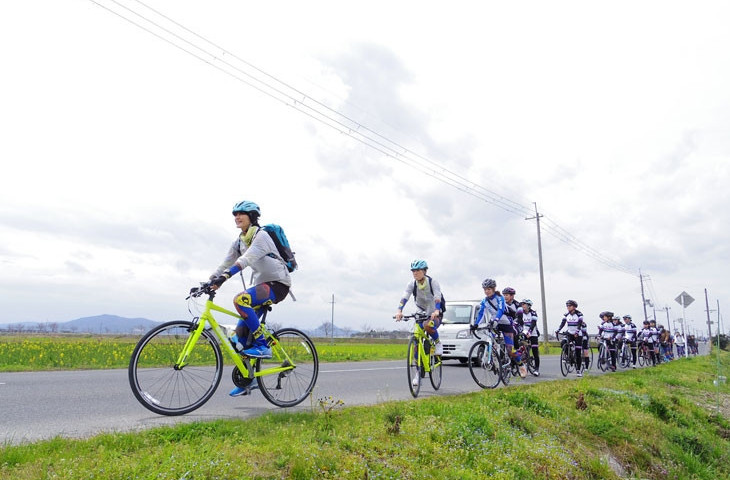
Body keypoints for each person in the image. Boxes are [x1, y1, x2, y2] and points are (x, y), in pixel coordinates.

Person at [208, 200, 292, 396]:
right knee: (238, 339)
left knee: (240, 300)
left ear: (252, 217)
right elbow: (226, 262)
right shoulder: (239, 241)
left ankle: (263, 346)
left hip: (278, 285)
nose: (237, 217)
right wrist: (210, 280)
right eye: (235, 214)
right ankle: (249, 381)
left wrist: (225, 278)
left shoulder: (261, 236)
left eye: (241, 214)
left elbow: (246, 260)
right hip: (262, 286)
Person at [395, 259, 444, 369]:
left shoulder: (432, 282)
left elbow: (437, 297)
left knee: (428, 325)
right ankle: (417, 372)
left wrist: (436, 310)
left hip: (435, 313)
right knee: (416, 340)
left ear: (425, 271)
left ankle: (437, 343)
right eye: (413, 271)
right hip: (421, 312)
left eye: (418, 270)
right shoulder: (412, 284)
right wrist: (399, 311)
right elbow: (405, 297)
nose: (415, 273)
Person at [472, 278, 525, 376]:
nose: (486, 291)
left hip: (505, 323)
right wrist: (476, 324)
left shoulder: (499, 298)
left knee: (511, 350)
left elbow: (500, 310)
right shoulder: (484, 301)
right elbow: (481, 313)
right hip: (493, 323)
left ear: (493, 289)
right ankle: (493, 361)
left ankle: (520, 365)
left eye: (489, 289)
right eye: (485, 289)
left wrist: (496, 319)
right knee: (489, 340)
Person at [555, 300, 585, 376]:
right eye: (567, 306)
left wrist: (577, 331)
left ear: (574, 307)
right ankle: (569, 355)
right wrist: (558, 330)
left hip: (578, 334)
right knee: (563, 343)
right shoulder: (566, 315)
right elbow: (563, 323)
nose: (568, 307)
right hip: (570, 333)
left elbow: (580, 324)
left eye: (570, 306)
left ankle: (578, 370)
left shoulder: (579, 314)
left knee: (578, 352)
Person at [519, 299, 540, 376]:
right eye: (522, 304)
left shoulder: (533, 313)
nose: (523, 306)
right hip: (524, 332)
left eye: (524, 304)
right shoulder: (520, 313)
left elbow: (533, 323)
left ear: (528, 305)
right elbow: (519, 322)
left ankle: (536, 369)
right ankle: (524, 355)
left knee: (535, 352)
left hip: (533, 333)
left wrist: (530, 332)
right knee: (520, 344)